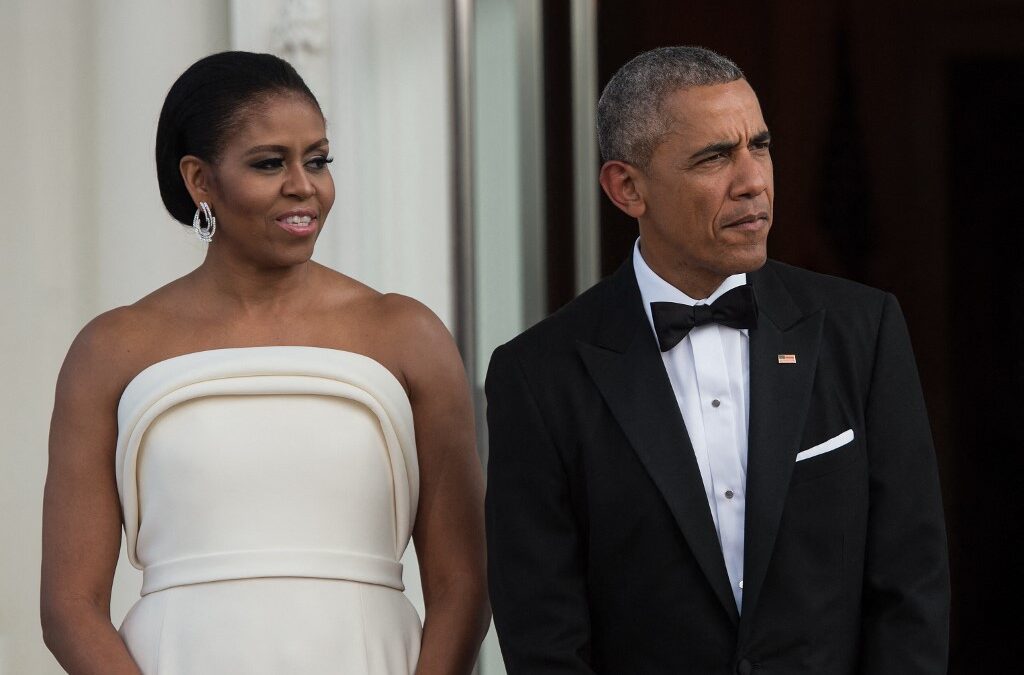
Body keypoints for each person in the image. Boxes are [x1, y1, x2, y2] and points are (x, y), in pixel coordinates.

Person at [485, 46, 949, 673]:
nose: (753, 180)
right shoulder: (538, 376)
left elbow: (911, 585)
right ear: (627, 188)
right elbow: (542, 631)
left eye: (759, 146)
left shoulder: (862, 330)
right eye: (714, 157)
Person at [41, 51, 489, 674]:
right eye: (269, 163)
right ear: (200, 180)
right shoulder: (113, 348)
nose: (304, 185)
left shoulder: (406, 334)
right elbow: (68, 604)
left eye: (318, 160)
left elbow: (463, 583)